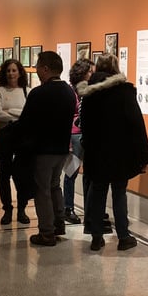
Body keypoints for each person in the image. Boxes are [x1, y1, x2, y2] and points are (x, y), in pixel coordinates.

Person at [79, 54, 148, 251]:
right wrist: (144, 155)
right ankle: (124, 237)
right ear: (116, 69)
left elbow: (84, 123)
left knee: (98, 192)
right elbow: (137, 124)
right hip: (120, 152)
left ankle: (96, 237)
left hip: (96, 152)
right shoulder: (124, 92)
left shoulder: (89, 93)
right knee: (119, 192)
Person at [11, 51, 75, 246]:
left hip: (43, 150)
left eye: (38, 66)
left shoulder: (39, 93)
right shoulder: (68, 92)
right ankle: (59, 224)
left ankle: (46, 232)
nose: (36, 70)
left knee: (42, 190)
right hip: (63, 149)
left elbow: (26, 122)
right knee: (55, 186)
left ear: (46, 69)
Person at [0, 59, 29, 225]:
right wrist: (19, 116)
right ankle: (7, 208)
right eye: (8, 71)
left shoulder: (26, 92)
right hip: (3, 136)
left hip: (21, 137)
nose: (11, 73)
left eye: (14, 70)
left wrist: (11, 113)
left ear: (20, 72)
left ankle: (22, 208)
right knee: (4, 173)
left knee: (22, 173)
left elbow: (28, 115)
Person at [64, 58, 94, 225]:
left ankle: (89, 207)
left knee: (88, 174)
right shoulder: (72, 91)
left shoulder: (90, 90)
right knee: (71, 172)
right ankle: (68, 207)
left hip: (87, 135)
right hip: (75, 136)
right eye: (90, 71)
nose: (92, 74)